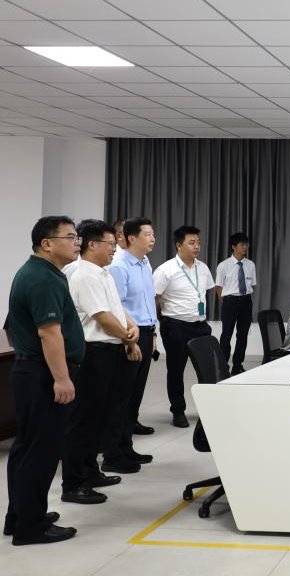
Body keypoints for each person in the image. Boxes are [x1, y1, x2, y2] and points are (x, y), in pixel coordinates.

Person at [4, 216, 83, 545]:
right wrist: (61, 379)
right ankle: (31, 527)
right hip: (42, 374)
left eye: (77, 237)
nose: (77, 242)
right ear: (47, 243)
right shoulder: (42, 278)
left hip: (33, 371)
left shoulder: (41, 273)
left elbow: (14, 326)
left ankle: (20, 515)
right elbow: (49, 333)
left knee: (27, 449)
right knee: (41, 452)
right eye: (70, 237)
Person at [62, 220, 142, 502]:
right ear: (92, 244)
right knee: (83, 419)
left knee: (99, 417)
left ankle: (90, 471)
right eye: (110, 244)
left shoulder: (102, 273)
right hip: (93, 353)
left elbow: (116, 310)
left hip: (109, 351)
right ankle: (73, 483)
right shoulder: (84, 275)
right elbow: (103, 317)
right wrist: (129, 339)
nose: (114, 249)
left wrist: (132, 327)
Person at [153, 225, 214, 428]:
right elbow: (154, 298)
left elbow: (204, 293)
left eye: (198, 242)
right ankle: (178, 410)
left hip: (200, 326)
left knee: (207, 369)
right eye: (192, 242)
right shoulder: (165, 270)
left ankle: (210, 408)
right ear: (179, 245)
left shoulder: (203, 268)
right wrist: (162, 322)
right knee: (176, 370)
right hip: (175, 326)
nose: (197, 246)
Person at [108, 217, 158, 444]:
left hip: (146, 332)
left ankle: (126, 446)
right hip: (130, 335)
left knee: (136, 392)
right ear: (131, 238)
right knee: (122, 395)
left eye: (152, 234)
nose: (153, 238)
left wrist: (153, 334)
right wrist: (129, 340)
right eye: (147, 234)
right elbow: (116, 306)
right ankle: (115, 449)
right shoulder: (119, 265)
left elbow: (148, 302)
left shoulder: (145, 262)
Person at [215, 232, 256, 375]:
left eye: (246, 244)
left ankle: (237, 365)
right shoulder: (223, 265)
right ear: (233, 246)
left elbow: (252, 285)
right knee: (226, 334)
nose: (245, 247)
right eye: (242, 244)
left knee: (243, 335)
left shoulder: (250, 264)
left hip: (246, 301)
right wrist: (225, 301)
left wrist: (245, 299)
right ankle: (223, 366)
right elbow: (218, 287)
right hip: (230, 301)